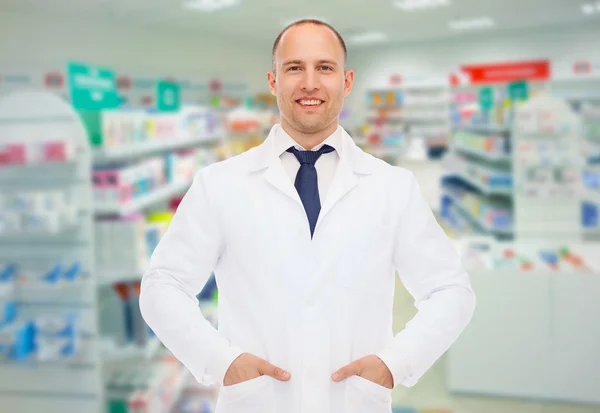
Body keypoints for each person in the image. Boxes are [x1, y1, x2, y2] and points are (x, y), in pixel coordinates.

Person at [139, 19, 476, 413]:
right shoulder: (219, 184)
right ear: (273, 80)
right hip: (257, 402)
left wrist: (395, 363)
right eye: (294, 67)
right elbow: (163, 285)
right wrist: (220, 361)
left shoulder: (393, 187)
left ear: (347, 81)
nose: (310, 83)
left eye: (325, 68)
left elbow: (451, 292)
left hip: (354, 402)